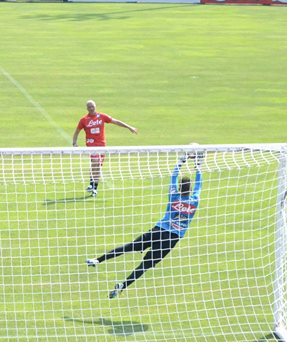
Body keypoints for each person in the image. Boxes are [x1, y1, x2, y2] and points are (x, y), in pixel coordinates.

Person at [87, 152, 202, 298]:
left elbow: (173, 177)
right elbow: (199, 184)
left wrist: (181, 161)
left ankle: (97, 260)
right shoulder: (195, 200)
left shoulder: (174, 195)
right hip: (172, 239)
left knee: (130, 246)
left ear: (180, 187)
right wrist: (198, 165)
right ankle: (123, 285)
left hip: (158, 230)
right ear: (190, 189)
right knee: (145, 266)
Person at [71, 99, 138, 197]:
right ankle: (93, 186)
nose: (91, 108)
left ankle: (93, 185)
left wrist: (129, 127)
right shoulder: (84, 120)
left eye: (92, 106)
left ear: (95, 106)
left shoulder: (102, 117)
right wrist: (74, 142)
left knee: (97, 166)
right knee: (95, 162)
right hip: (91, 145)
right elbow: (77, 131)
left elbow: (116, 121)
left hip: (101, 145)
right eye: (89, 106)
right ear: (86, 108)